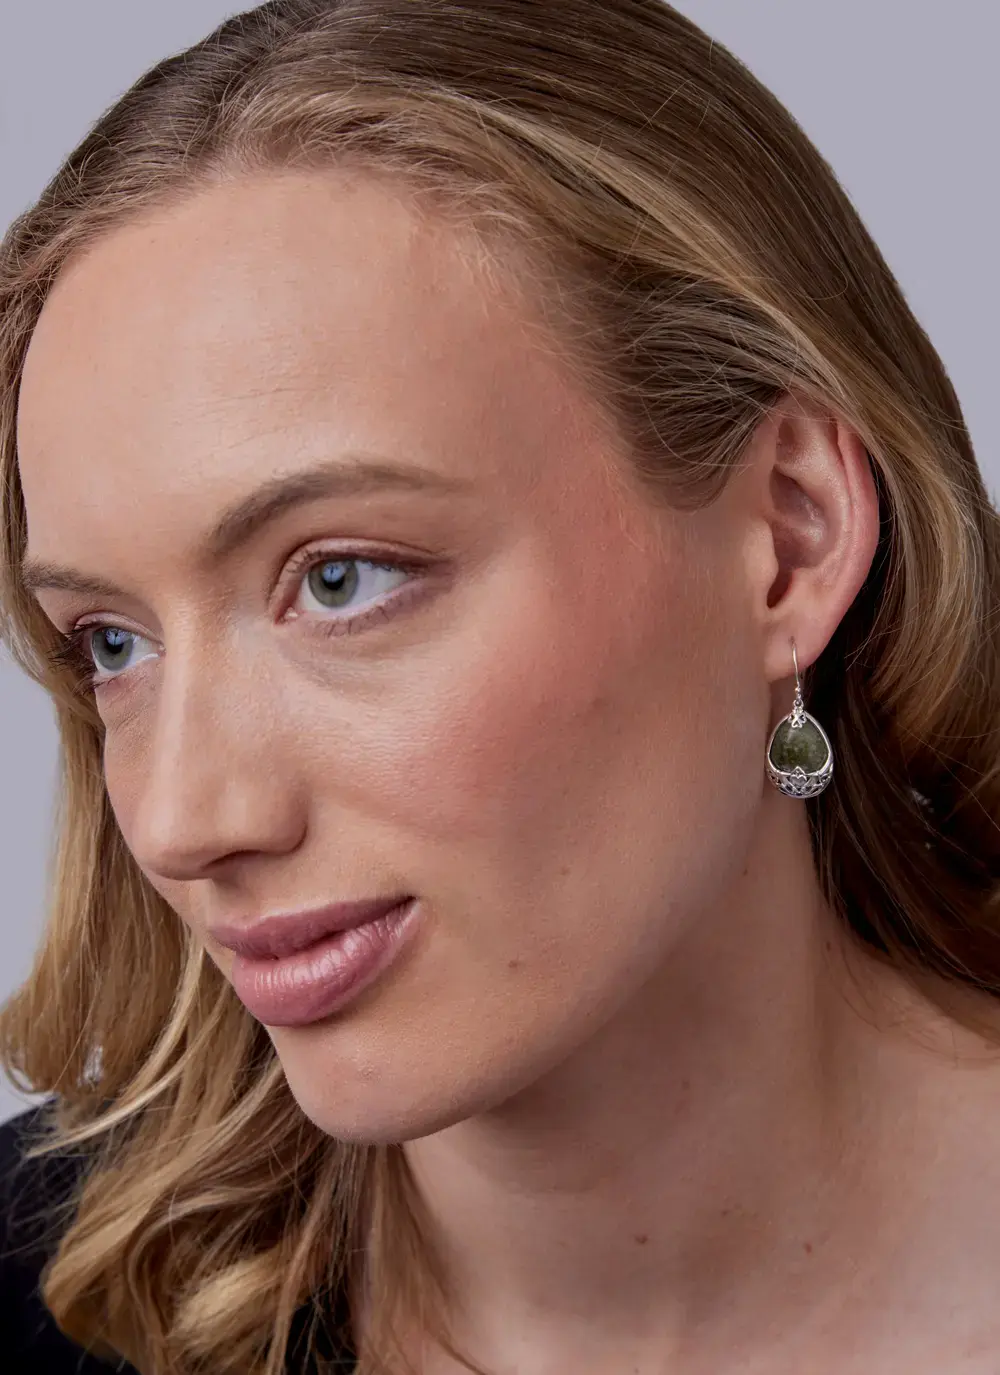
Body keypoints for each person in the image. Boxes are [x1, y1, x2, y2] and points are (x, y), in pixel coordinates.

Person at [1, 1, 998, 1372]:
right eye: (112, 642)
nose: (182, 819)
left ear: (790, 538)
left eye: (341, 578)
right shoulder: (44, 1292)